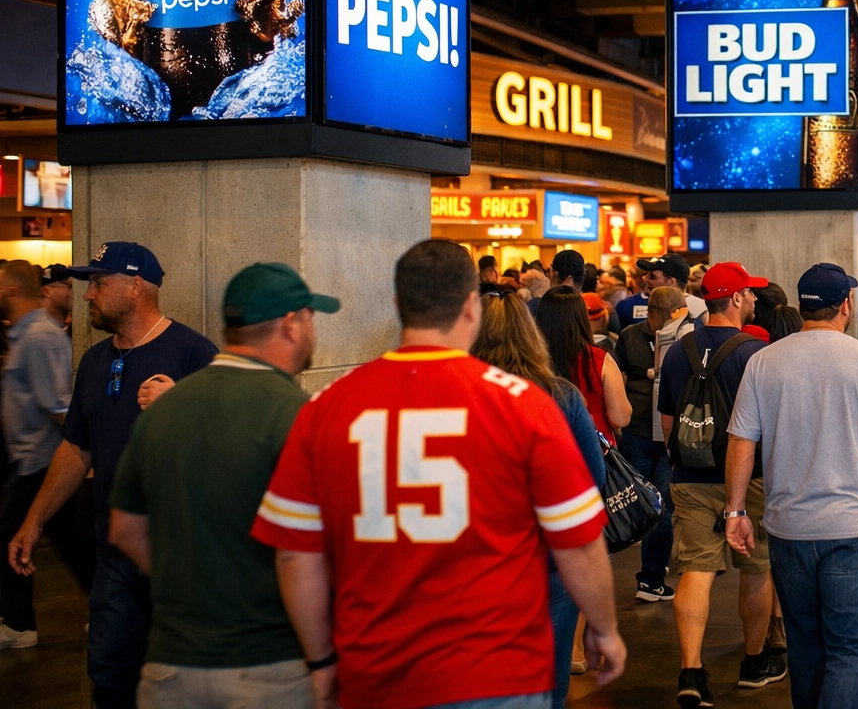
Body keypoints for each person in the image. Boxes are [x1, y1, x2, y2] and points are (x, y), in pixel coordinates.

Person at [251, 239, 623, 709]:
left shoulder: (327, 407)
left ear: (398, 306)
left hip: (376, 674)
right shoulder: (526, 405)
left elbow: (293, 555)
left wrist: (322, 662)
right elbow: (579, 540)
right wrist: (604, 629)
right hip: (499, 672)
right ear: (470, 306)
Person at [107, 263, 339, 708]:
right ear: (291, 324)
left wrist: (193, 583)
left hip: (170, 668)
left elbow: (124, 530)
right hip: (272, 667)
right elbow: (298, 554)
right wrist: (323, 660)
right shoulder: (301, 417)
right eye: (311, 317)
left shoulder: (164, 412)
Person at [7, 242, 216, 709]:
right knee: (109, 675)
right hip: (115, 551)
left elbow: (222, 452)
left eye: (99, 283)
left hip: (179, 559)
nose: (88, 295)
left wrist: (181, 406)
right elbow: (76, 448)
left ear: (136, 286)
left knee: (180, 688)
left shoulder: (194, 354)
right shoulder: (96, 361)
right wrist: (34, 521)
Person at [724, 262, 858, 709]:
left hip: (789, 531)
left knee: (806, 649)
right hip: (856, 531)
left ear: (802, 308)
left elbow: (741, 443)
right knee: (851, 652)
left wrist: (736, 511)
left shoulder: (763, 361)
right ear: (846, 305)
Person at [471, 292, 607, 709]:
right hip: (550, 558)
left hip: (475, 559)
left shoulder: (458, 395)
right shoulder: (560, 396)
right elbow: (592, 482)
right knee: (549, 683)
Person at [657, 262, 783, 704]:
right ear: (733, 298)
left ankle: (691, 673)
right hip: (749, 480)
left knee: (695, 570)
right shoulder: (755, 353)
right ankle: (754, 662)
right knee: (756, 568)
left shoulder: (677, 350)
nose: (753, 299)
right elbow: (769, 424)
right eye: (748, 293)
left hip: (689, 476)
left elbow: (668, 422)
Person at [1, 261, 88, 651]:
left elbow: (56, 406)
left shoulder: (36, 336)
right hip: (32, 459)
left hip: (39, 460)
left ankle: (19, 624)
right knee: (73, 542)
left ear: (13, 290)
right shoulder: (27, 334)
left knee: (14, 538)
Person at [611, 287, 680, 604]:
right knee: (632, 503)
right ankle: (606, 578)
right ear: (654, 313)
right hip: (637, 432)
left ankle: (651, 578)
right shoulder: (628, 337)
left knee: (661, 508)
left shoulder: (684, 339)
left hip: (669, 437)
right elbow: (619, 378)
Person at [536, 287, 630, 442]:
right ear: (581, 318)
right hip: (595, 446)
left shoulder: (532, 359)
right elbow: (620, 418)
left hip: (546, 444)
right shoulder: (600, 359)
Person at [618, 253, 689, 326]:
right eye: (646, 274)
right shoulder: (631, 332)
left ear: (671, 282)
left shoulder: (697, 313)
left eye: (652, 276)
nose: (646, 279)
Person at [40, 264, 74, 329]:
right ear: (47, 291)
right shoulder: (40, 330)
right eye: (69, 287)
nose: (73, 293)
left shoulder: (70, 329)